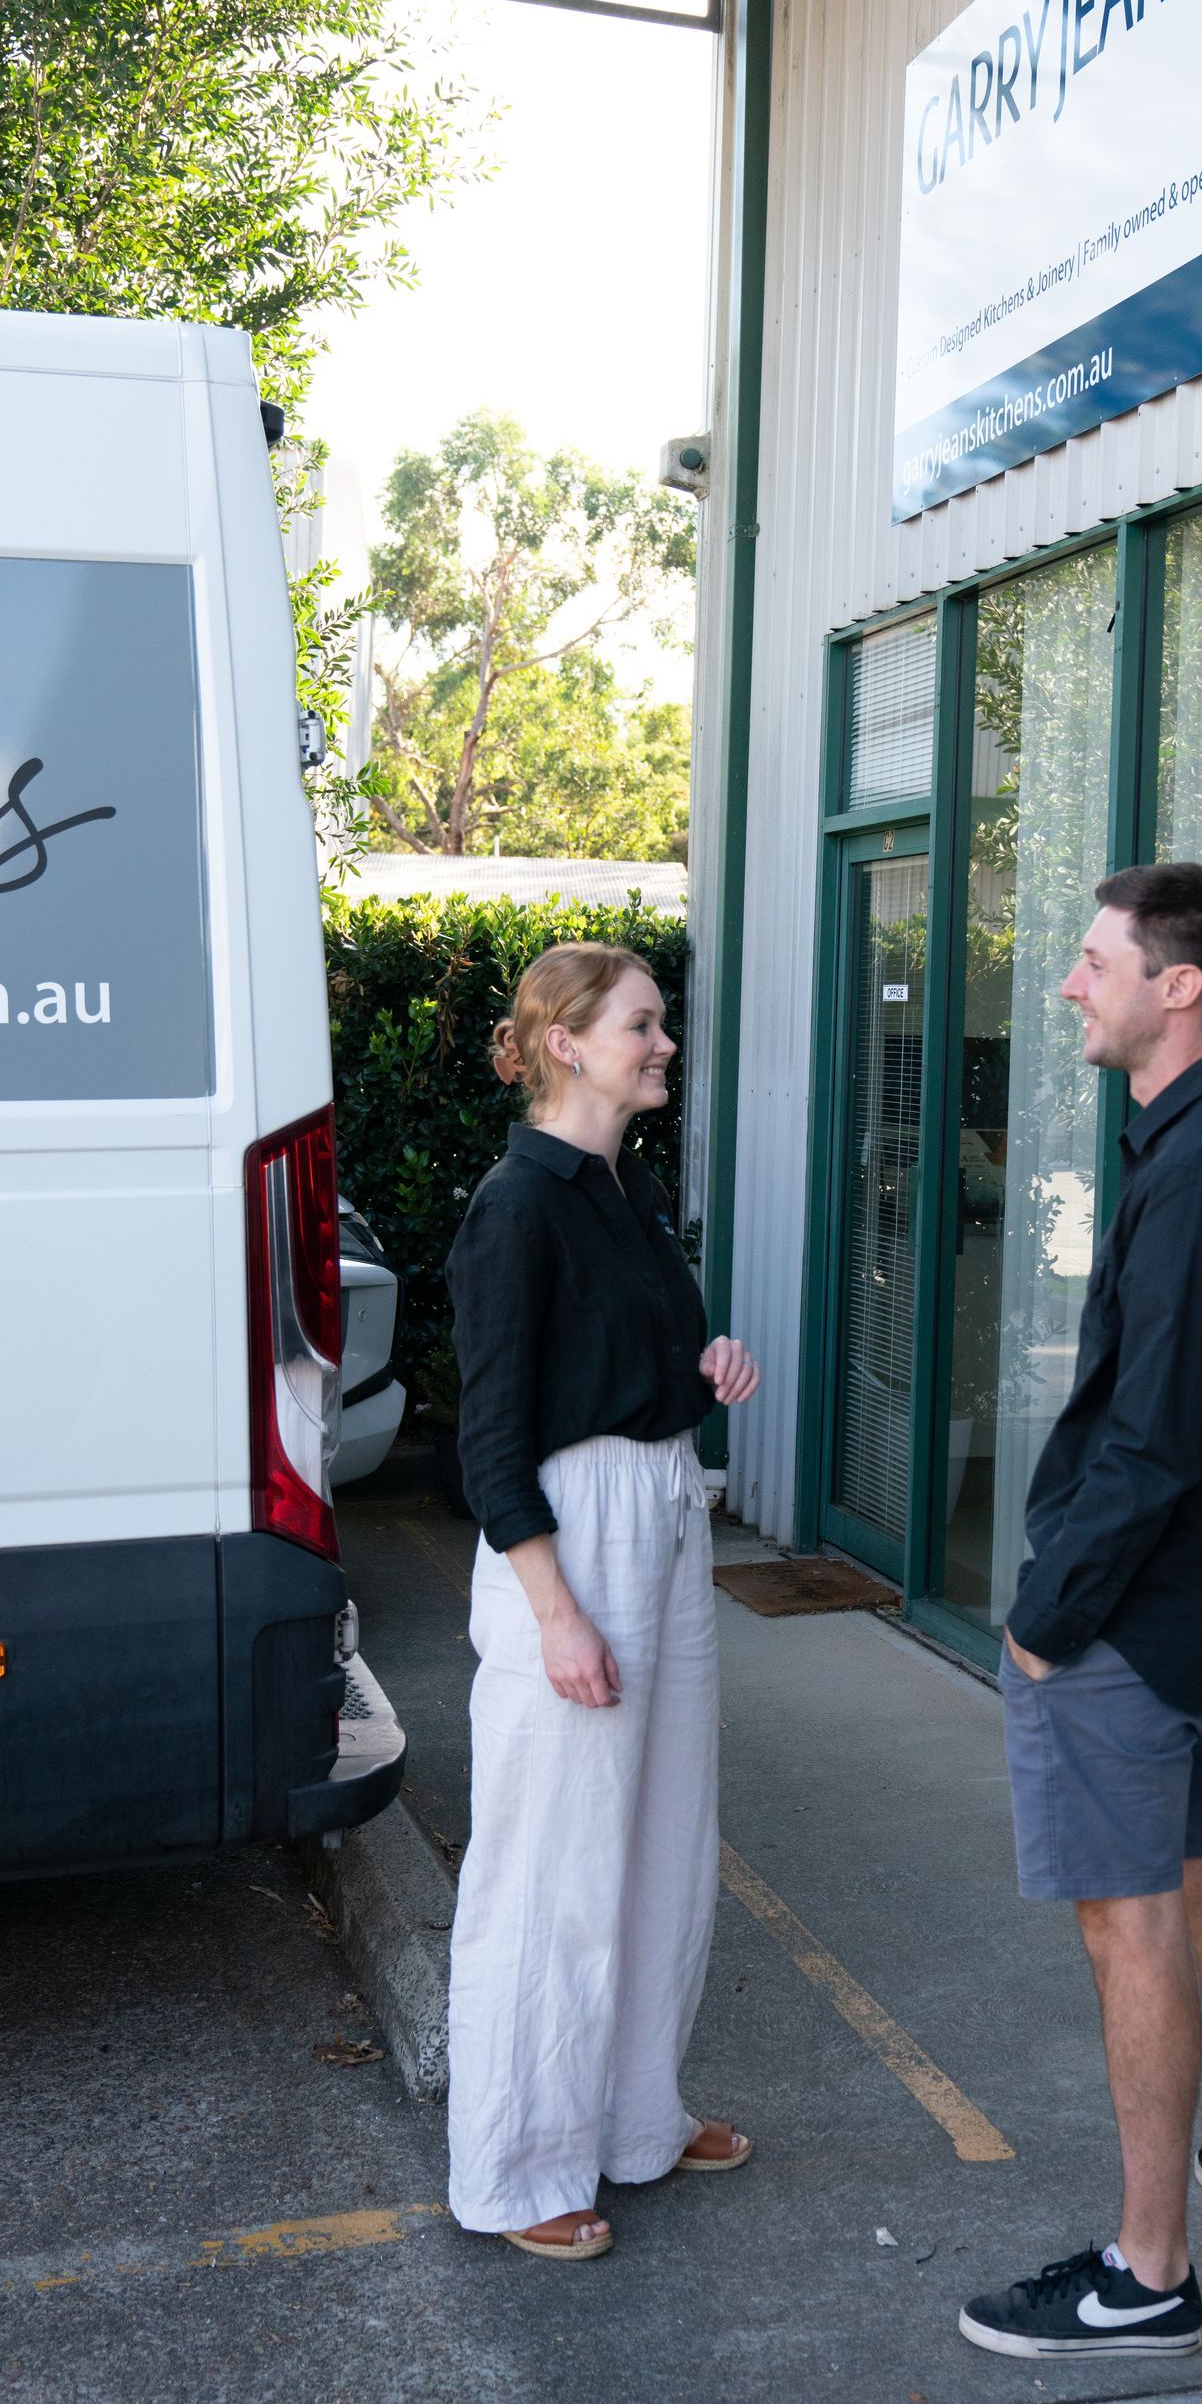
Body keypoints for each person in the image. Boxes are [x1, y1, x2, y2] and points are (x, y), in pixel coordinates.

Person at [959, 864, 1202, 2361]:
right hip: (1195, 1618)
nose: (1070, 985)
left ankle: (1149, 2271)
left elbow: (1154, 1439)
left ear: (1177, 987)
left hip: (1128, 1624)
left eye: (1094, 960)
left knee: (1132, 1928)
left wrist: (1047, 1617)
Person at [444, 940, 761, 2260]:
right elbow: (491, 1439)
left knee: (664, 1844)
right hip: (567, 1548)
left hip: (664, 1512)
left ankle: (634, 2118)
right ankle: (519, 2167)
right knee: (552, 1868)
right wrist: (557, 1610)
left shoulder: (627, 1194)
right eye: (643, 1026)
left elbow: (639, 1364)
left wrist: (708, 1368)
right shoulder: (516, 1206)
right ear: (567, 1044)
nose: (664, 1046)